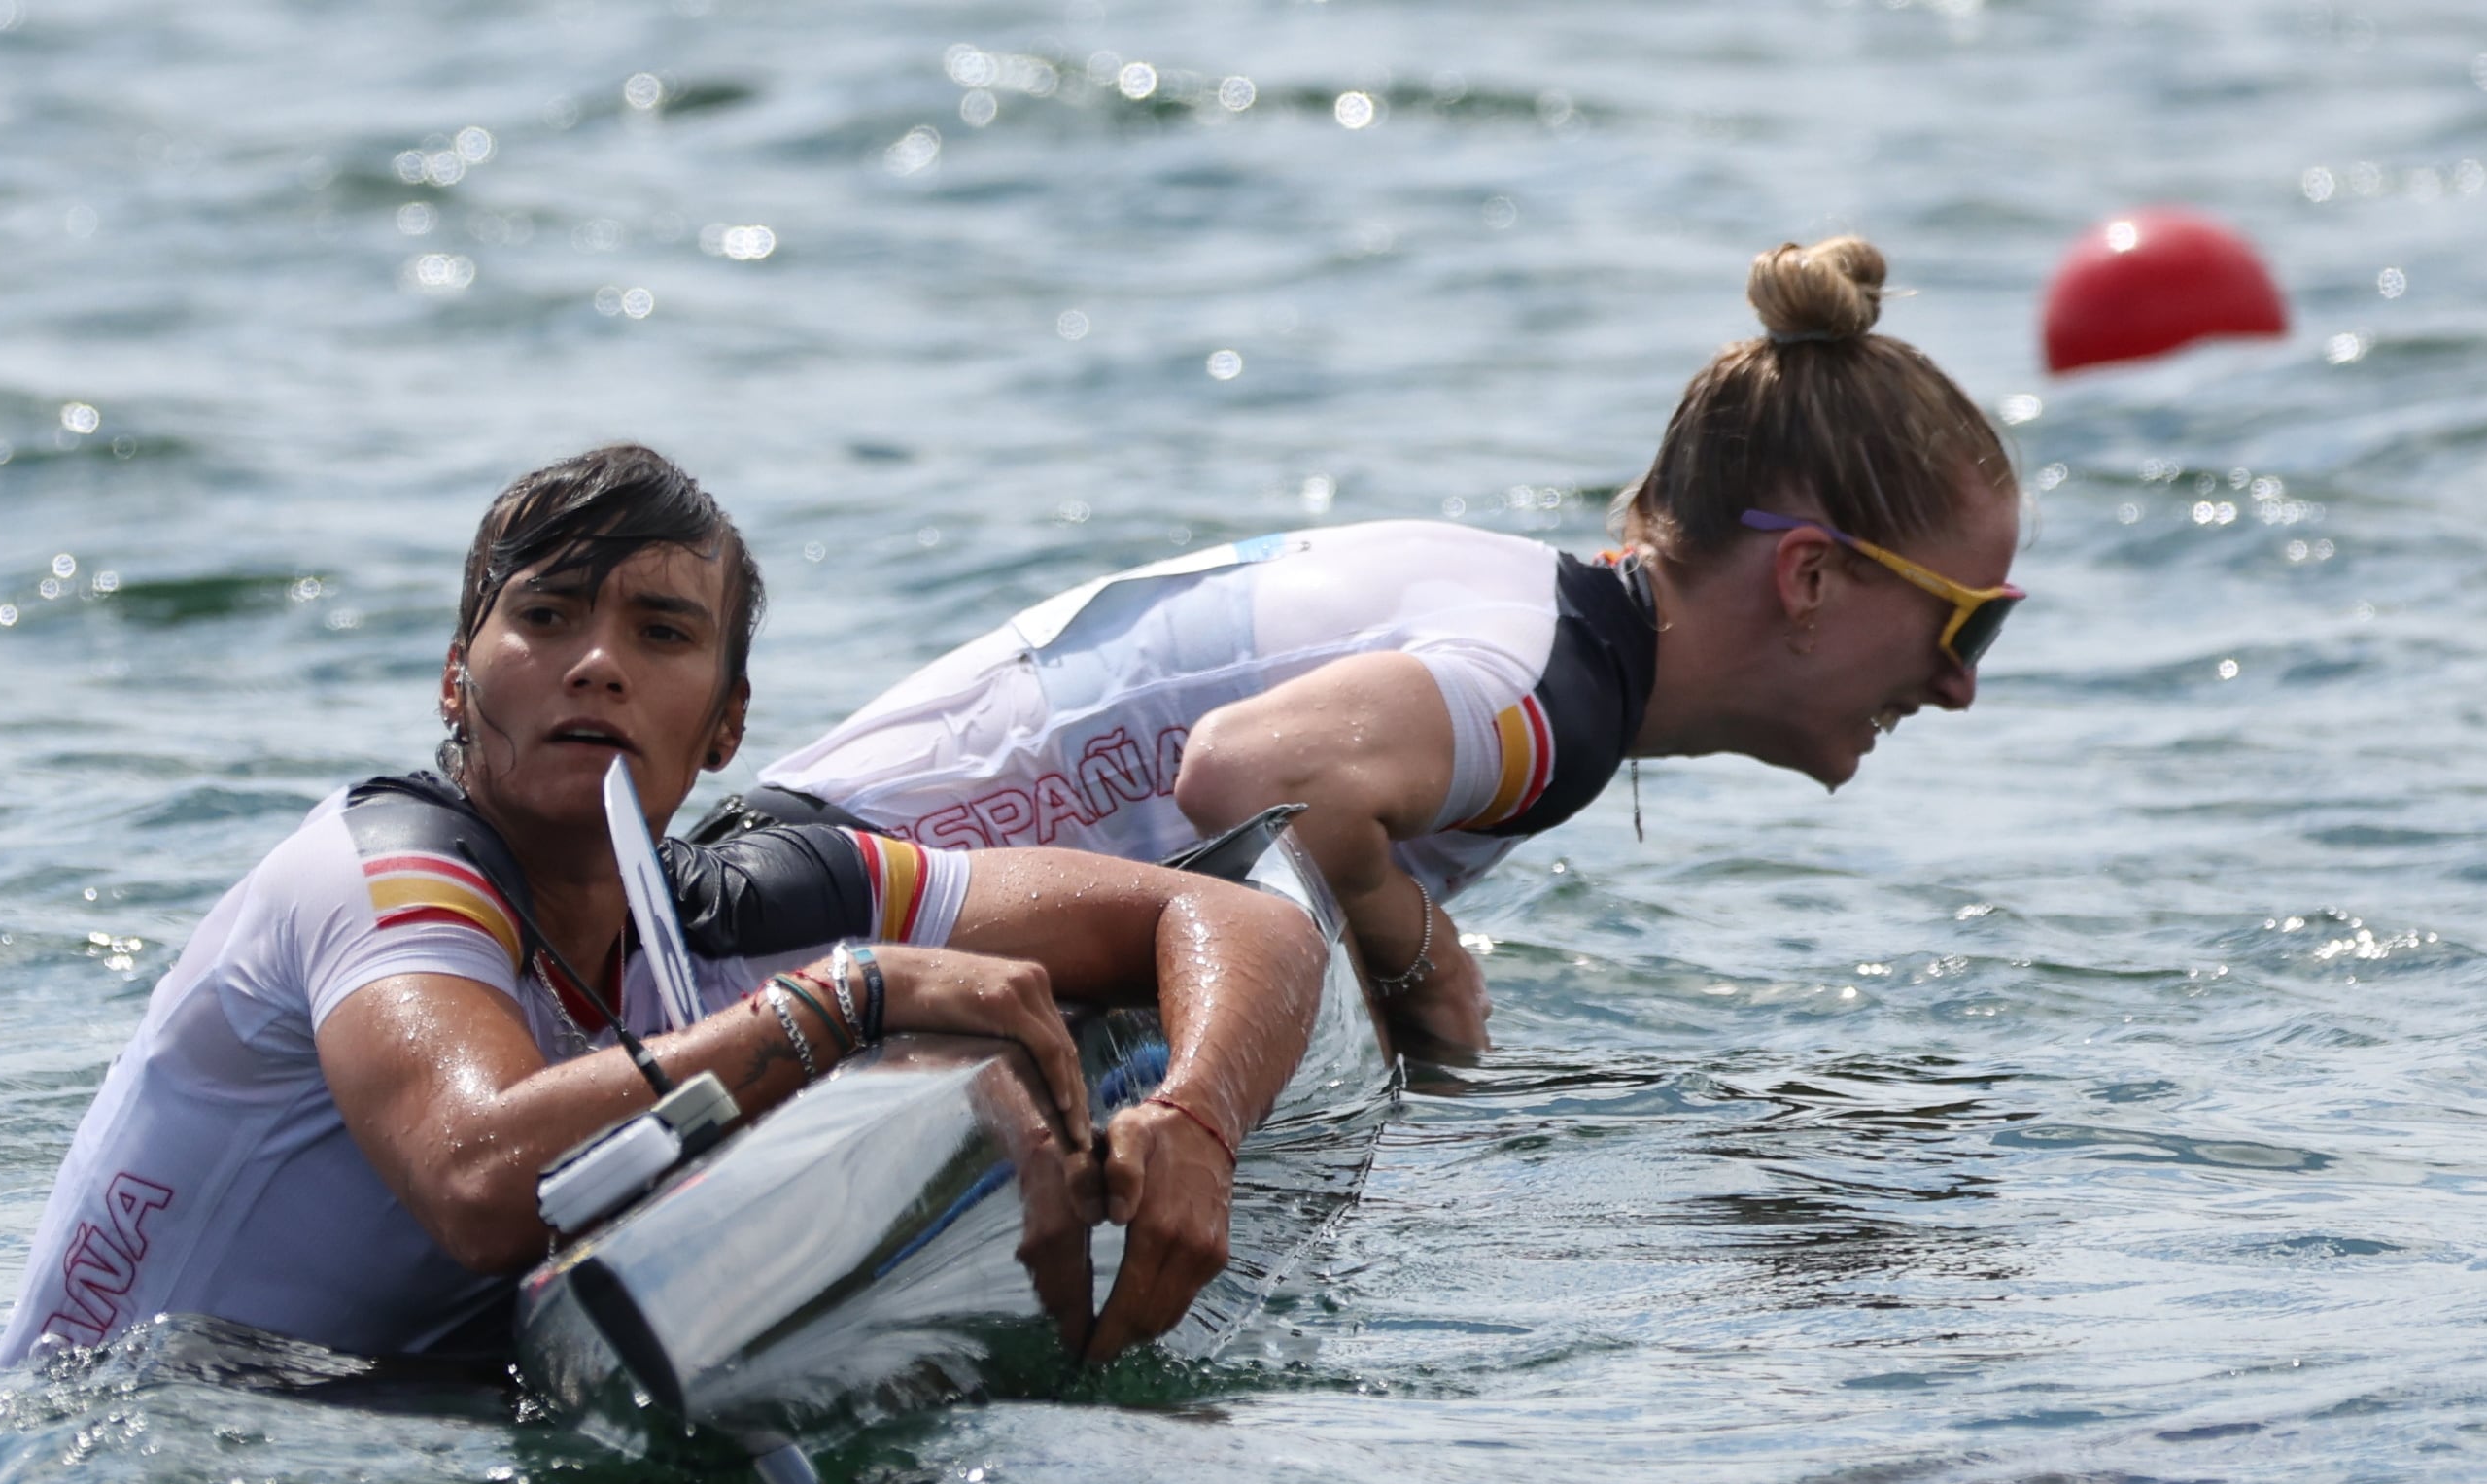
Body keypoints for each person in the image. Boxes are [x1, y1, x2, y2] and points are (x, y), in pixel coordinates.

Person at [0, 446, 1324, 1372]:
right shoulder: (382, 874)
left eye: (663, 634)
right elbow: (478, 1176)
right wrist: (847, 1005)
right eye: (548, 617)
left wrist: (1196, 1117)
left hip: (399, 1427)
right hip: (102, 1470)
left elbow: (1237, 923)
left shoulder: (738, 901)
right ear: (458, 683)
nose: (596, 664)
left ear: (730, 721)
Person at [734, 236, 2023, 1060]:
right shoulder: (1553, 693)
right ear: (1809, 575)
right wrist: (1422, 965)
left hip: (778, 880)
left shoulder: (1543, 621)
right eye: (1967, 618)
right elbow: (1247, 774)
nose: (1959, 685)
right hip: (788, 928)